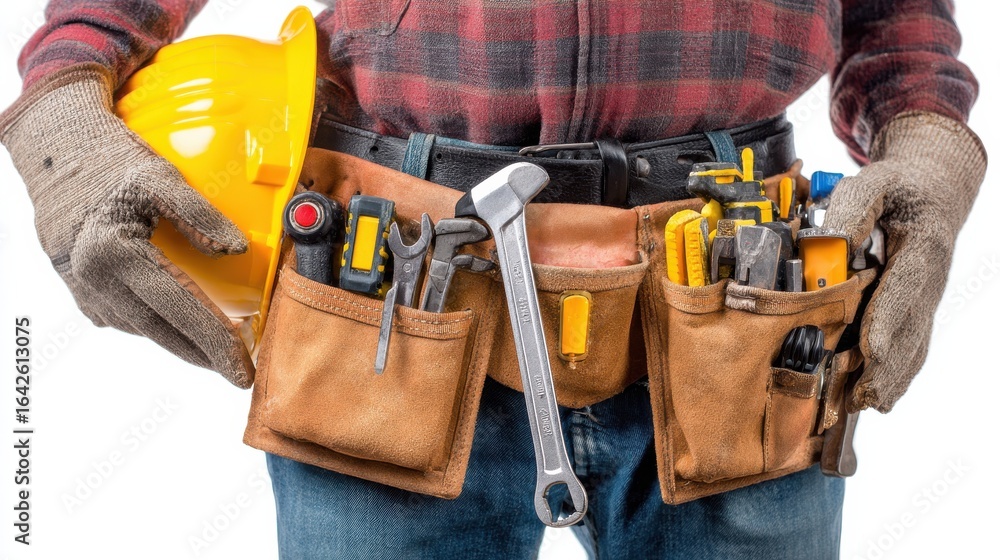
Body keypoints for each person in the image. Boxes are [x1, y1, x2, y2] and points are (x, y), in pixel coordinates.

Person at [1, 1, 986, 558]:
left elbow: (899, 23)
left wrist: (929, 139)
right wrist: (61, 108)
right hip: (388, 298)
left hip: (733, 315)